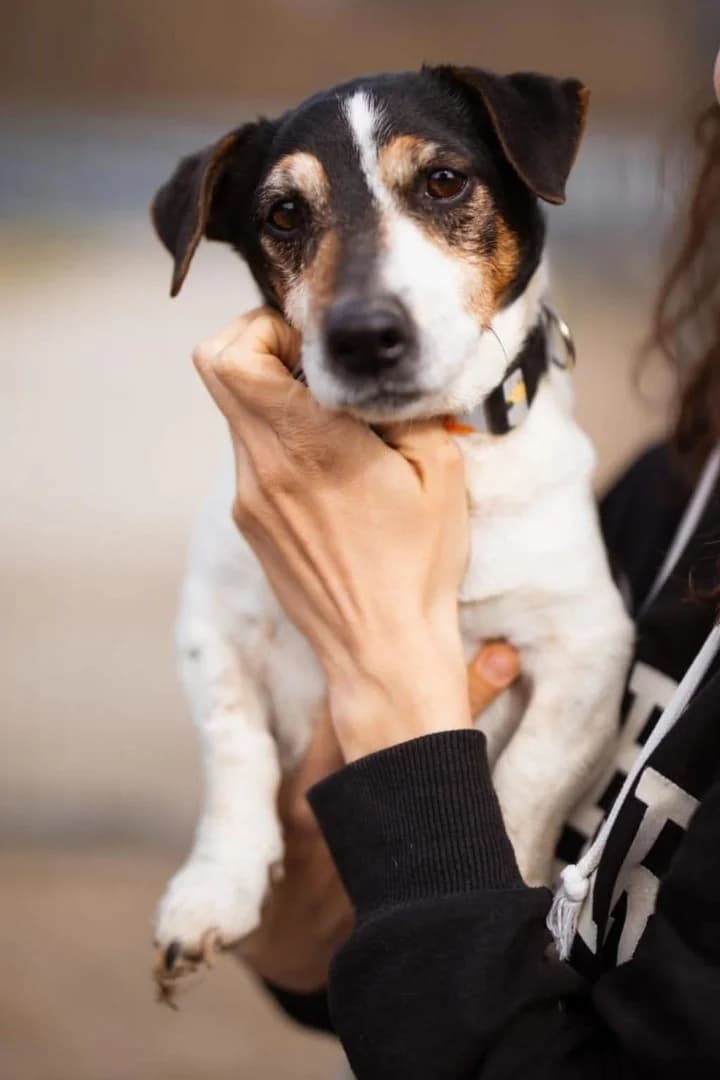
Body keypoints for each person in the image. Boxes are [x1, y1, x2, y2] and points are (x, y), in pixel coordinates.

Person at [188, 55, 720, 1078]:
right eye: (291, 223)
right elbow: (357, 971)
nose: (364, 303)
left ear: (529, 177)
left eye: (440, 187)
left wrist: (388, 663)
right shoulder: (664, 495)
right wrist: (296, 931)